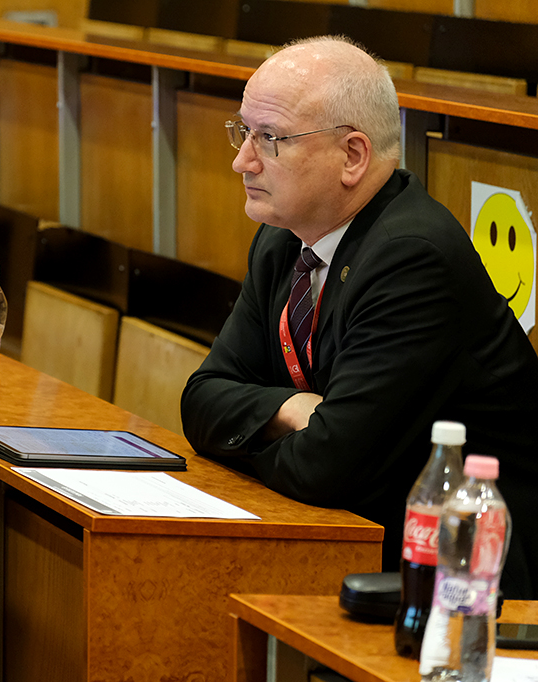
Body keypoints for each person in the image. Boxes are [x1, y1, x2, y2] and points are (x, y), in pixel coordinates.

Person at [179, 35, 538, 598]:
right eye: (243, 132)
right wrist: (292, 409)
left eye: (269, 138)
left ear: (352, 156)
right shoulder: (283, 240)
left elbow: (326, 468)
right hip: (368, 547)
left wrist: (246, 433)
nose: (241, 160)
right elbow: (201, 400)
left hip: (471, 581)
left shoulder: (412, 259)